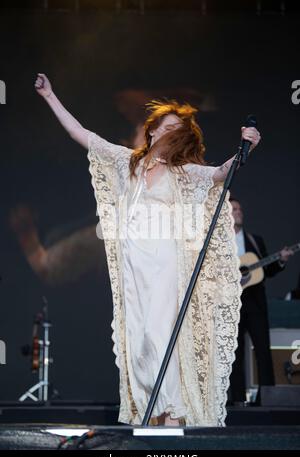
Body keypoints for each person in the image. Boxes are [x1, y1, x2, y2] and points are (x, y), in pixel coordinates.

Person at [34, 73, 260, 426]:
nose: (171, 131)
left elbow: (219, 174)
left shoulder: (183, 172)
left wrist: (246, 149)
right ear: (152, 130)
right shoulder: (129, 164)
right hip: (133, 266)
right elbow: (84, 136)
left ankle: (171, 412)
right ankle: (153, 413)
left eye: (177, 128)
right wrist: (50, 97)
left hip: (164, 263)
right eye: (166, 126)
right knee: (138, 341)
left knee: (159, 333)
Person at [229, 198, 294, 404]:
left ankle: (267, 399)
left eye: (240, 208)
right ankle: (237, 399)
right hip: (231, 305)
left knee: (263, 352)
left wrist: (281, 260)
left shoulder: (255, 240)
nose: (239, 212)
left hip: (255, 304)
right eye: (234, 209)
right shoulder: (219, 243)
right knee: (234, 354)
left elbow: (267, 269)